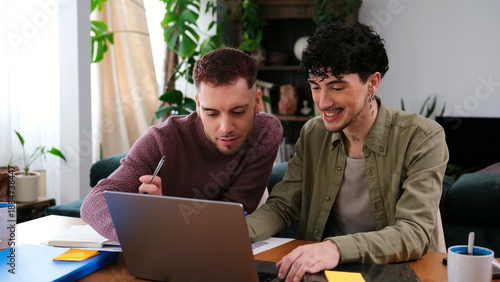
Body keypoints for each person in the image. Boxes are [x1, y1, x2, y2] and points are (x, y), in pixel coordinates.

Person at [245, 22, 449, 281]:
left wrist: (335, 248)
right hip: (324, 273)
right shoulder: (312, 133)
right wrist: (238, 232)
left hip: (398, 273)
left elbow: (414, 232)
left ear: (372, 83)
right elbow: (284, 206)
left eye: (337, 87)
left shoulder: (422, 137)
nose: (323, 102)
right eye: (316, 86)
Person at [81, 47, 283, 242]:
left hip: (223, 245)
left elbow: (229, 214)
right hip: (171, 248)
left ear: (257, 101)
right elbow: (94, 202)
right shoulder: (162, 139)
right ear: (197, 104)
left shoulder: (265, 131)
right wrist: (144, 227)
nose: (225, 128)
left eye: (238, 111)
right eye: (211, 113)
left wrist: (165, 217)